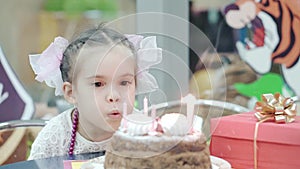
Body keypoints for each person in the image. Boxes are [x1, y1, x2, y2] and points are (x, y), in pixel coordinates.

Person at [28, 24, 162, 160]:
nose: (114, 96)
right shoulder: (55, 138)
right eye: (98, 84)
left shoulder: (147, 132)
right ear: (71, 93)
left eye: (124, 82)